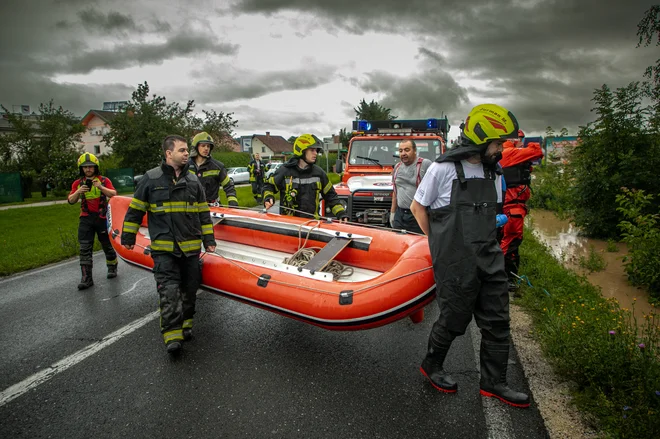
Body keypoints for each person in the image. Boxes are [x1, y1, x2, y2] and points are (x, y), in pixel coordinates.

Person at [410, 104, 530, 408]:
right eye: (497, 142)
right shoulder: (442, 169)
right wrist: (437, 242)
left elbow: (494, 212)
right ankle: (432, 365)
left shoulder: (495, 172)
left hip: (489, 257)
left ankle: (494, 382)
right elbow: (417, 208)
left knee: (497, 321)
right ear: (479, 139)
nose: (501, 148)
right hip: (455, 261)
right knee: (453, 319)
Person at [121, 135, 216, 355]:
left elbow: (203, 213)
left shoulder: (193, 181)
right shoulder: (150, 179)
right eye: (182, 150)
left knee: (190, 290)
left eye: (186, 150)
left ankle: (186, 324)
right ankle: (172, 335)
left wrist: (209, 240)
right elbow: (135, 210)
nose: (186, 153)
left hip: (191, 249)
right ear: (168, 153)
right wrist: (128, 236)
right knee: (169, 291)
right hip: (164, 250)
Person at [263, 134, 348, 221]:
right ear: (301, 151)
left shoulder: (319, 173)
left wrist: (341, 213)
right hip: (290, 225)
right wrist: (268, 197)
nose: (316, 153)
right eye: (312, 150)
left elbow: (331, 196)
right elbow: (269, 186)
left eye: (316, 150)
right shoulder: (285, 171)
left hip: (312, 225)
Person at [498, 130, 544, 290]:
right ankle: (506, 279)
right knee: (511, 241)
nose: (522, 142)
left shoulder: (506, 153)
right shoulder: (510, 152)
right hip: (512, 206)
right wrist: (529, 145)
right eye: (521, 139)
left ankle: (504, 276)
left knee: (506, 240)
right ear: (515, 139)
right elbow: (537, 151)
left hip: (511, 205)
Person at [68, 152, 118, 290]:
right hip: (86, 218)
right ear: (81, 169)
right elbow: (70, 201)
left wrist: (100, 187)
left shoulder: (103, 180)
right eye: (85, 167)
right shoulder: (78, 183)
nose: (88, 169)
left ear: (96, 167)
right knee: (84, 248)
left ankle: (112, 266)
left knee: (106, 244)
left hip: (102, 217)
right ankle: (86, 278)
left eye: (91, 167)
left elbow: (114, 194)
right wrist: (78, 192)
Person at [390, 139, 432, 233]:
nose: (403, 153)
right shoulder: (397, 167)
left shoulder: (425, 164)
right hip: (400, 215)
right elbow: (395, 192)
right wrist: (392, 213)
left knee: (419, 245)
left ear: (415, 150)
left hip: (418, 215)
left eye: (407, 150)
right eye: (400, 151)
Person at [188, 131, 239, 207]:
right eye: (203, 145)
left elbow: (229, 186)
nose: (206, 148)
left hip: (212, 207)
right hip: (191, 208)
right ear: (196, 147)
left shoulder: (217, 166)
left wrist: (233, 203)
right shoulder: (186, 166)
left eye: (208, 146)